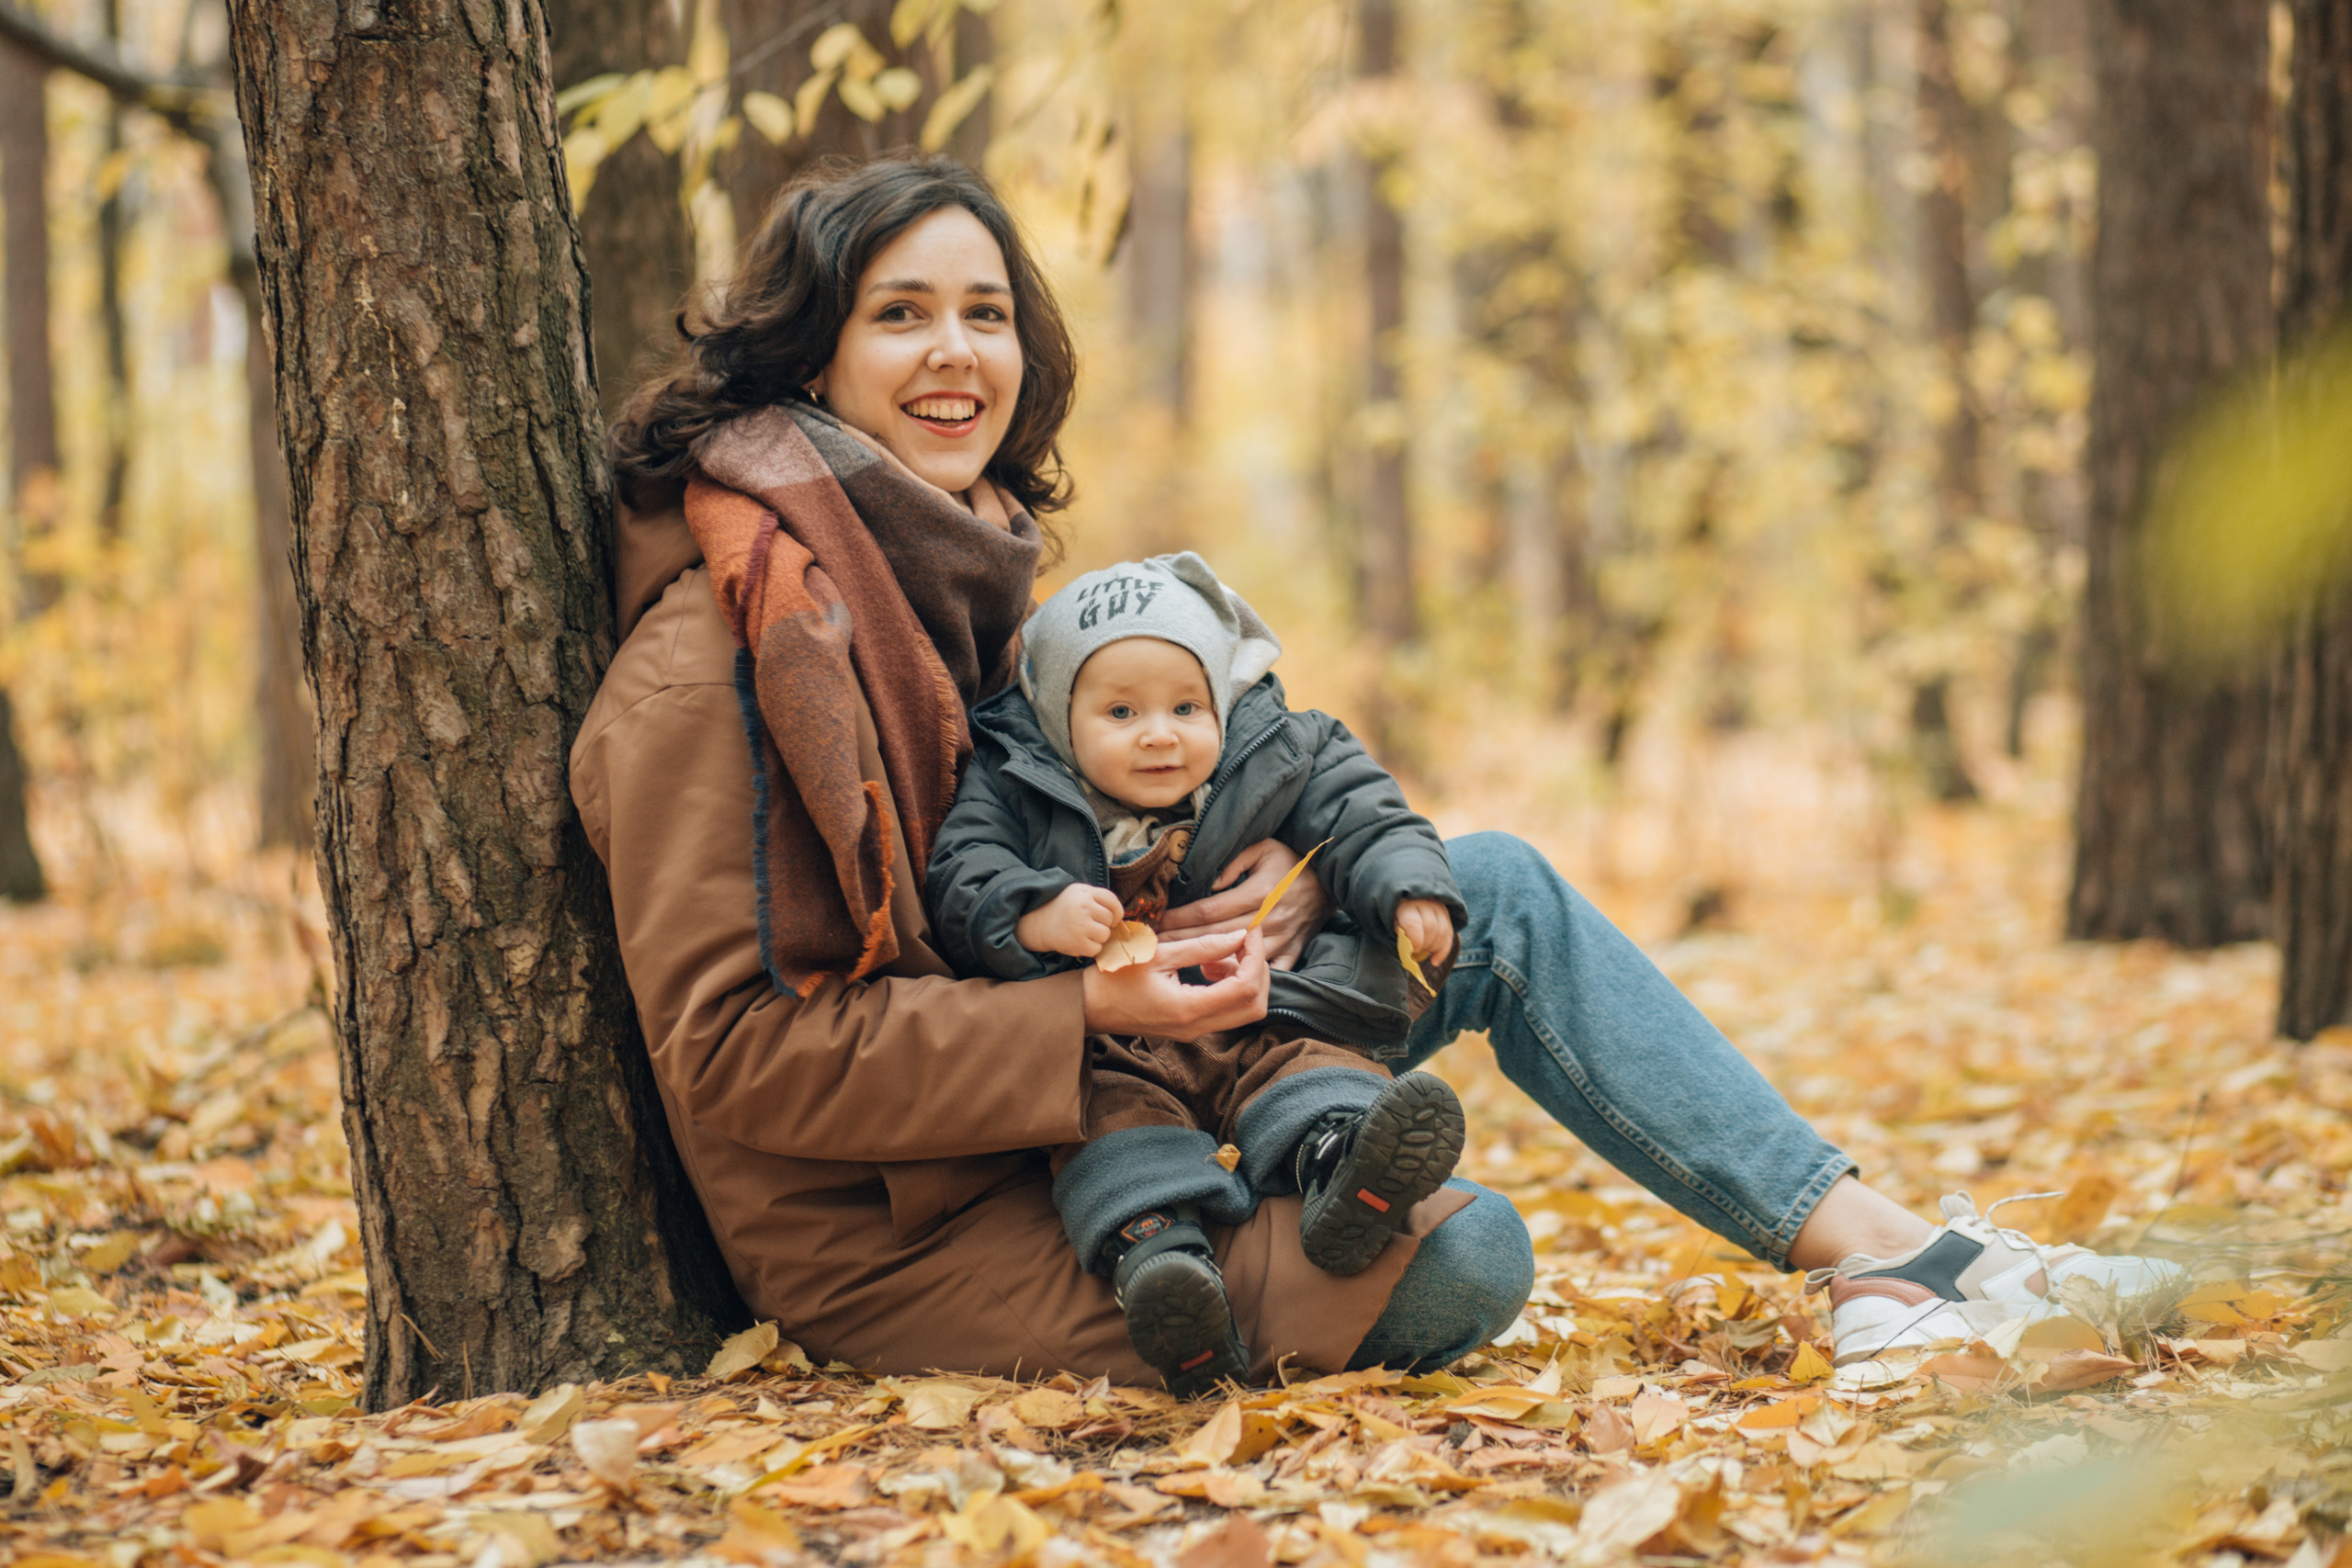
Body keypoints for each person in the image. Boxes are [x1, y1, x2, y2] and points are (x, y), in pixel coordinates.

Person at [577, 154, 2176, 1392]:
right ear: (810, 356)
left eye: (984, 312)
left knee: (1482, 889)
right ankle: (1907, 1267)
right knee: (1470, 1259)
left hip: (1101, 1068)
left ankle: (1896, 1257)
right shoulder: (722, 658)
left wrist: (1228, 888)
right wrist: (1091, 1008)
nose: (955, 354)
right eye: (899, 313)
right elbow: (733, 1059)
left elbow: (1057, 831)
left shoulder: (945, 580)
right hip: (919, 1218)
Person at [926, 549, 1473, 1393]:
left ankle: (1344, 1172)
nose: (1160, 731)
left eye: (1187, 705)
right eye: (1120, 710)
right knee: (1107, 1128)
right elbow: (962, 874)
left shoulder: (1280, 750)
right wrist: (1034, 909)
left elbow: (1368, 810)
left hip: (1259, 1011)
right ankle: (1162, 1269)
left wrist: (1410, 889)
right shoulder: (1013, 780)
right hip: (1114, 1045)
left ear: (1222, 700)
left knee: (1315, 1065)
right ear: (1057, 716)